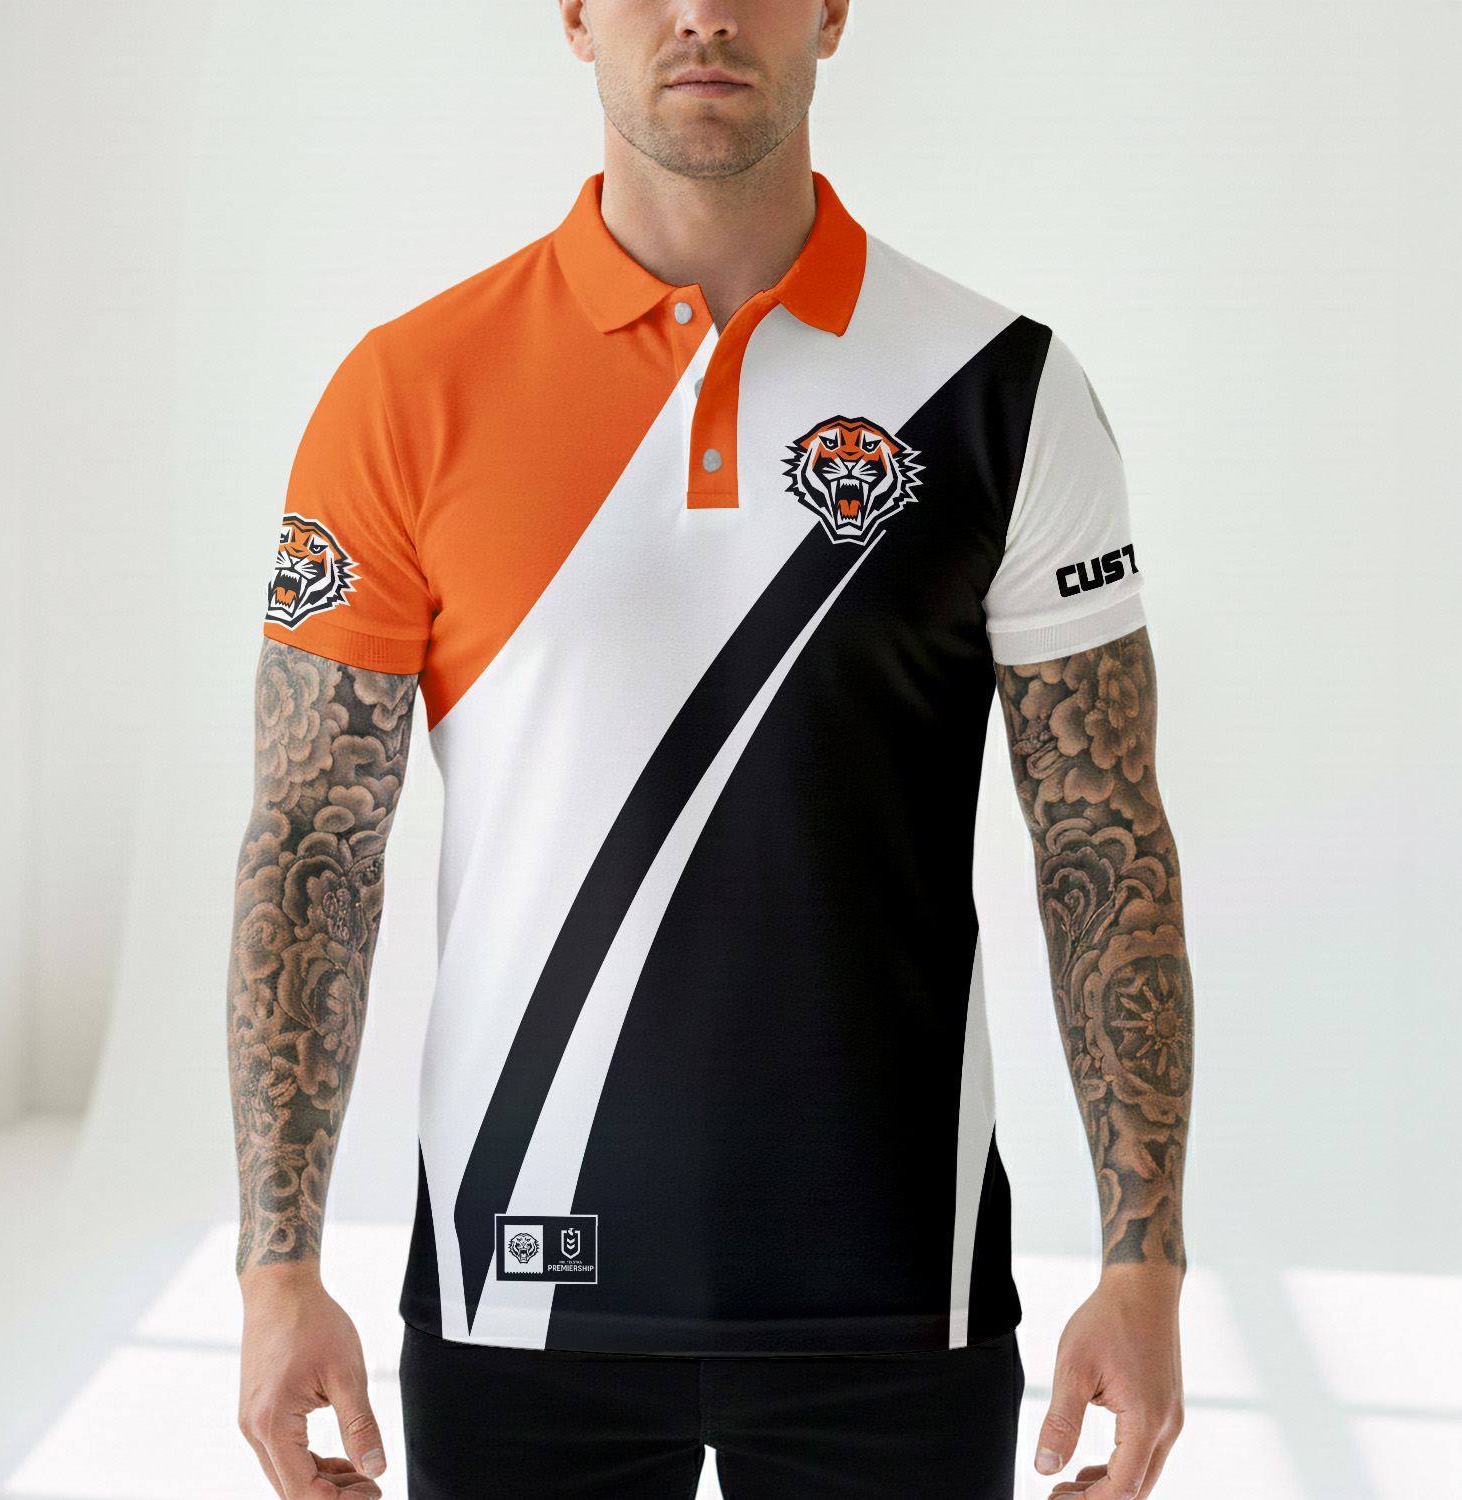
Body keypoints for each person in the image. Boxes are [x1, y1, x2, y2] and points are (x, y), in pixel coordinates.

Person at [227, 2, 1194, 1497]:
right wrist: (277, 1270)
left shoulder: (1004, 389)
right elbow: (313, 843)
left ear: (831, 11)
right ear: (573, 15)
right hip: (512, 1294)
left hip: (900, 1301)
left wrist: (1147, 1267)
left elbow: (1103, 842)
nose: (702, 14)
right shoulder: (406, 391)